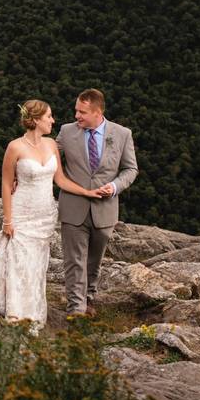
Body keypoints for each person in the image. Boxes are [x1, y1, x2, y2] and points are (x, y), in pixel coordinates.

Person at [0, 99, 99, 330]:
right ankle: (18, 311)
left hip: (45, 215)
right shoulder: (15, 147)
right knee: (19, 262)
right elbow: (5, 183)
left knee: (36, 264)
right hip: (22, 212)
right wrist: (7, 220)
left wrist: (87, 192)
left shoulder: (51, 145)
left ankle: (30, 303)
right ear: (35, 120)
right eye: (49, 116)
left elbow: (60, 179)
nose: (53, 120)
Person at [56, 89, 138, 317]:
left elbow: (131, 169)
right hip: (73, 206)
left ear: (98, 112)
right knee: (74, 261)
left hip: (105, 209)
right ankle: (76, 309)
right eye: (76, 110)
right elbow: (46, 156)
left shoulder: (122, 134)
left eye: (82, 112)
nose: (77, 116)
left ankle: (89, 299)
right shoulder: (66, 131)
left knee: (94, 261)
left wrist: (114, 187)